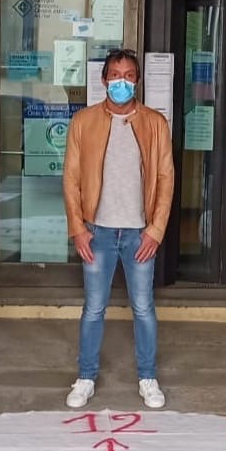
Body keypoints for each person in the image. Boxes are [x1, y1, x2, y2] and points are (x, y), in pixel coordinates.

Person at [61, 48, 175, 410]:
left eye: (128, 76)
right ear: (103, 79)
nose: (121, 82)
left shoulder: (155, 123)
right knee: (94, 308)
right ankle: (85, 376)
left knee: (143, 307)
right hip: (98, 232)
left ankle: (147, 376)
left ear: (137, 80)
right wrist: (78, 228)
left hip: (139, 233)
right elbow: (72, 178)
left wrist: (156, 230)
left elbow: (165, 178)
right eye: (115, 75)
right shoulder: (84, 121)